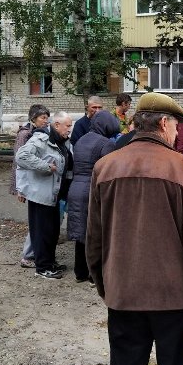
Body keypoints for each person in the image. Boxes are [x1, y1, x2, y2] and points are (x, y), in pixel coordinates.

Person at [87, 92, 183, 365]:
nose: (176, 135)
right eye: (175, 128)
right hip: (175, 298)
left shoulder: (105, 167)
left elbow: (94, 236)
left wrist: (105, 284)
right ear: (162, 123)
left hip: (123, 293)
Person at [15, 111, 74, 280]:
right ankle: (42, 268)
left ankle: (50, 262)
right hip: (40, 195)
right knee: (42, 232)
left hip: (54, 195)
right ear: (57, 125)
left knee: (52, 231)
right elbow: (22, 156)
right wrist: (46, 166)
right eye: (67, 126)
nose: (70, 129)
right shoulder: (40, 139)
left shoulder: (63, 141)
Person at [67, 111, 119, 283]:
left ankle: (80, 272)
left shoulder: (82, 139)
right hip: (93, 189)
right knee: (95, 232)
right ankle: (93, 274)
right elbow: (108, 171)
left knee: (81, 232)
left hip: (76, 188)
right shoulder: (105, 143)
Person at [10, 104, 50, 268]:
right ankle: (28, 256)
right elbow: (20, 162)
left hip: (36, 181)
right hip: (27, 183)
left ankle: (34, 252)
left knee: (37, 221)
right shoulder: (25, 134)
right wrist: (21, 188)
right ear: (33, 119)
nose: (46, 121)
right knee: (35, 222)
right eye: (43, 118)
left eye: (47, 117)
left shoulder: (39, 133)